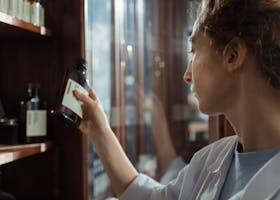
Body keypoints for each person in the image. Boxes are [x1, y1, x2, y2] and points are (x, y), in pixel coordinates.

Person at [73, 0, 280, 199]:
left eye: (194, 51)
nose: (187, 75)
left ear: (233, 55)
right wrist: (100, 132)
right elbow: (154, 198)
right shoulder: (212, 159)